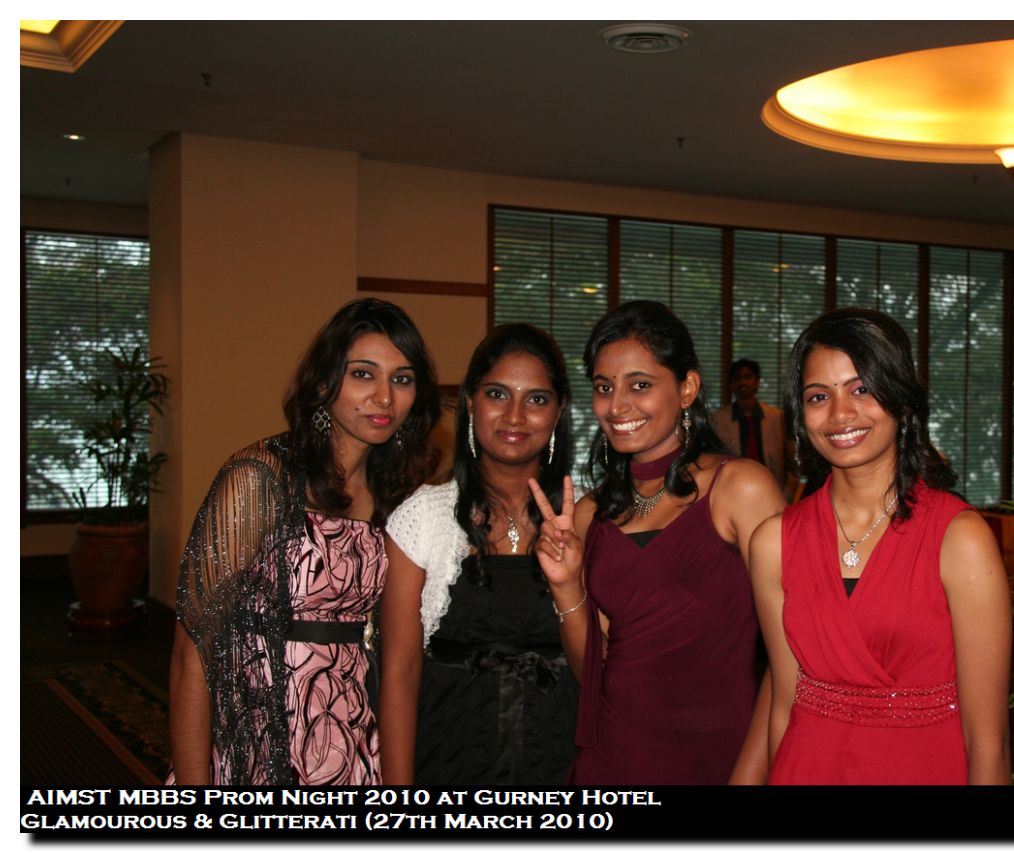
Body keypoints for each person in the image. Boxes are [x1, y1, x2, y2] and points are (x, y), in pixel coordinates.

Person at [168, 298, 440, 784]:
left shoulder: (397, 495)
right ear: (322, 382)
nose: (384, 397)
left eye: (402, 379)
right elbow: (193, 654)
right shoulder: (261, 476)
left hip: (350, 736)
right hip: (259, 735)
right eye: (363, 374)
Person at [749, 307, 1010, 784]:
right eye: (818, 396)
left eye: (861, 389)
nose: (840, 414)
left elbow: (989, 742)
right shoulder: (773, 542)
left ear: (900, 397)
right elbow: (784, 705)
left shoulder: (960, 538)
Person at [529, 300, 785, 784]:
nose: (616, 406)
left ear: (687, 388)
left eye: (640, 385)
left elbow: (792, 656)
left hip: (718, 755)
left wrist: (751, 776)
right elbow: (592, 673)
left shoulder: (741, 488)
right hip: (612, 757)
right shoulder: (589, 514)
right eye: (604, 387)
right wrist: (565, 586)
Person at [379, 323, 577, 785]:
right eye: (497, 394)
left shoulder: (587, 517)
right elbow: (399, 673)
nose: (515, 415)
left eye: (536, 399)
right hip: (446, 757)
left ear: (559, 411)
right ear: (470, 402)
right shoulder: (422, 517)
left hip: (561, 760)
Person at [710, 358, 793, 494]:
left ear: (757, 382)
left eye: (748, 377)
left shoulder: (777, 417)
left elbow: (790, 457)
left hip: (773, 489)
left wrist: (788, 490)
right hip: (733, 490)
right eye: (737, 378)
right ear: (731, 384)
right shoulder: (717, 420)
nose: (743, 382)